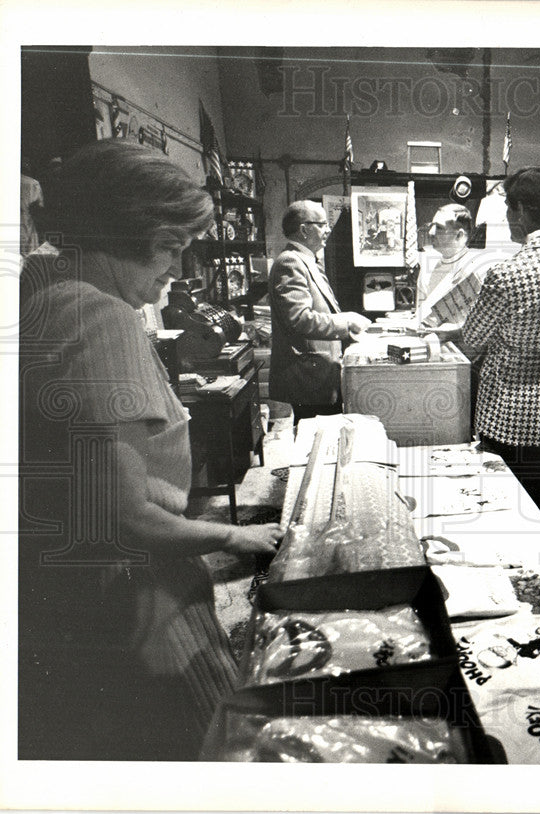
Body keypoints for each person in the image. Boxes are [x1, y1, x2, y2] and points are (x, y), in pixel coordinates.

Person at [18, 139, 284, 760]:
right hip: (140, 600)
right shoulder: (98, 316)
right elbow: (128, 517)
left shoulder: (45, 296)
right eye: (170, 248)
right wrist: (231, 538)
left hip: (74, 595)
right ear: (129, 233)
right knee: (214, 751)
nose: (175, 270)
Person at [462, 166, 540, 544]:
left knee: (515, 519)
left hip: (512, 412)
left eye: (508, 209)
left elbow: (472, 338)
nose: (505, 217)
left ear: (521, 211)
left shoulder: (509, 273)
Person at [268, 200, 371, 424]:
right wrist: (346, 321)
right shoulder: (290, 262)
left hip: (318, 375)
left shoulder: (306, 261)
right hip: (308, 379)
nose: (327, 230)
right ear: (304, 230)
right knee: (318, 440)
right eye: (322, 224)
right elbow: (299, 319)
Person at [414, 203, 487, 341]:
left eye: (439, 228)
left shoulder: (477, 269)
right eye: (432, 225)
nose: (431, 232)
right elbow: (421, 314)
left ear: (459, 235)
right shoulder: (428, 266)